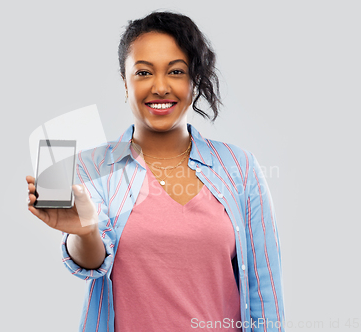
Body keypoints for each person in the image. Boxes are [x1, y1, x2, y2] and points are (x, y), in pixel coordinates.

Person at [27, 11, 285, 332]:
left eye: (176, 71)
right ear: (125, 83)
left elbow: (265, 290)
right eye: (144, 72)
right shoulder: (94, 166)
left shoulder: (240, 167)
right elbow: (91, 263)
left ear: (194, 80)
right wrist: (85, 230)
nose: (160, 87)